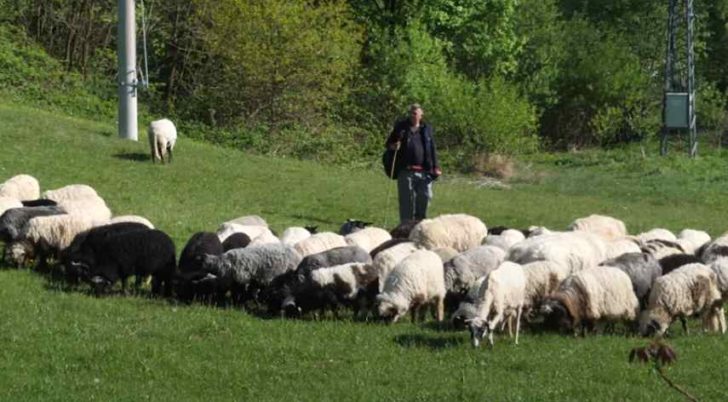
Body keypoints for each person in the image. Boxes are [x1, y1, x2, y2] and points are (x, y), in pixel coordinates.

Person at [385, 103, 442, 224]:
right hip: (406, 170)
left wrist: (435, 167)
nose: (412, 115)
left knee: (425, 197)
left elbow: (432, 148)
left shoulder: (426, 129)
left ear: (421, 115)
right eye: (411, 113)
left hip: (424, 171)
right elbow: (389, 144)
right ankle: (406, 227)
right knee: (407, 202)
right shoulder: (401, 127)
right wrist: (393, 146)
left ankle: (419, 224)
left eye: (415, 113)